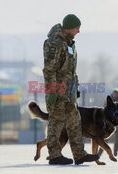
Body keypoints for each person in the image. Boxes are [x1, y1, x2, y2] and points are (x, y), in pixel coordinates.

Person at [43, 14, 99, 165]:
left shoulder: (69, 44)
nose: (79, 31)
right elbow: (49, 70)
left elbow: (71, 71)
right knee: (56, 122)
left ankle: (79, 154)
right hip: (58, 92)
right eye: (77, 28)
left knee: (75, 121)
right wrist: (52, 91)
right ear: (68, 28)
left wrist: (75, 88)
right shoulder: (54, 43)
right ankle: (54, 155)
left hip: (69, 92)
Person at [97, 88, 118, 157]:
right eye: (114, 93)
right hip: (109, 123)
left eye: (116, 93)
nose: (115, 94)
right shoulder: (109, 101)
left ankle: (115, 153)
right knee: (106, 138)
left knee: (117, 139)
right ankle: (99, 153)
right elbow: (105, 110)